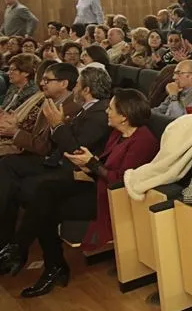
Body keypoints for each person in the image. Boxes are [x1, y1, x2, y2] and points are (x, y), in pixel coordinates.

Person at [0, 88, 158, 297]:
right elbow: (104, 166)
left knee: (47, 209)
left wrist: (92, 164)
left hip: (114, 199)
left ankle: (43, 262)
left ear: (124, 116)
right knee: (45, 189)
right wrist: (88, 163)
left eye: (111, 109)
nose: (106, 112)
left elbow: (122, 181)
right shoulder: (118, 133)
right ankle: (23, 251)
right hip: (98, 186)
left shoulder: (143, 140)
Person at [0, 65, 111, 249]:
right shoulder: (87, 108)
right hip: (55, 158)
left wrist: (58, 125)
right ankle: (7, 239)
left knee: (30, 187)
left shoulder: (98, 114)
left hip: (73, 170)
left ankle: (13, 245)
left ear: (87, 90)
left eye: (77, 85)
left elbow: (76, 151)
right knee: (7, 165)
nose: (74, 89)